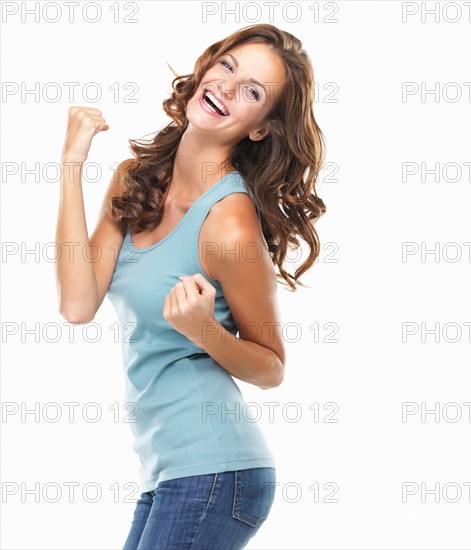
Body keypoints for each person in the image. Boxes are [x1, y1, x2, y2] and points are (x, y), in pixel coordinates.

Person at [55, 23, 326, 549]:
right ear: (205, 68)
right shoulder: (135, 178)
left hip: (216, 472)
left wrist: (205, 330)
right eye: (227, 66)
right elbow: (77, 303)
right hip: (167, 473)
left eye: (252, 91)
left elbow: (271, 367)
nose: (226, 87)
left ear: (261, 128)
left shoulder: (230, 222)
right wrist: (71, 166)